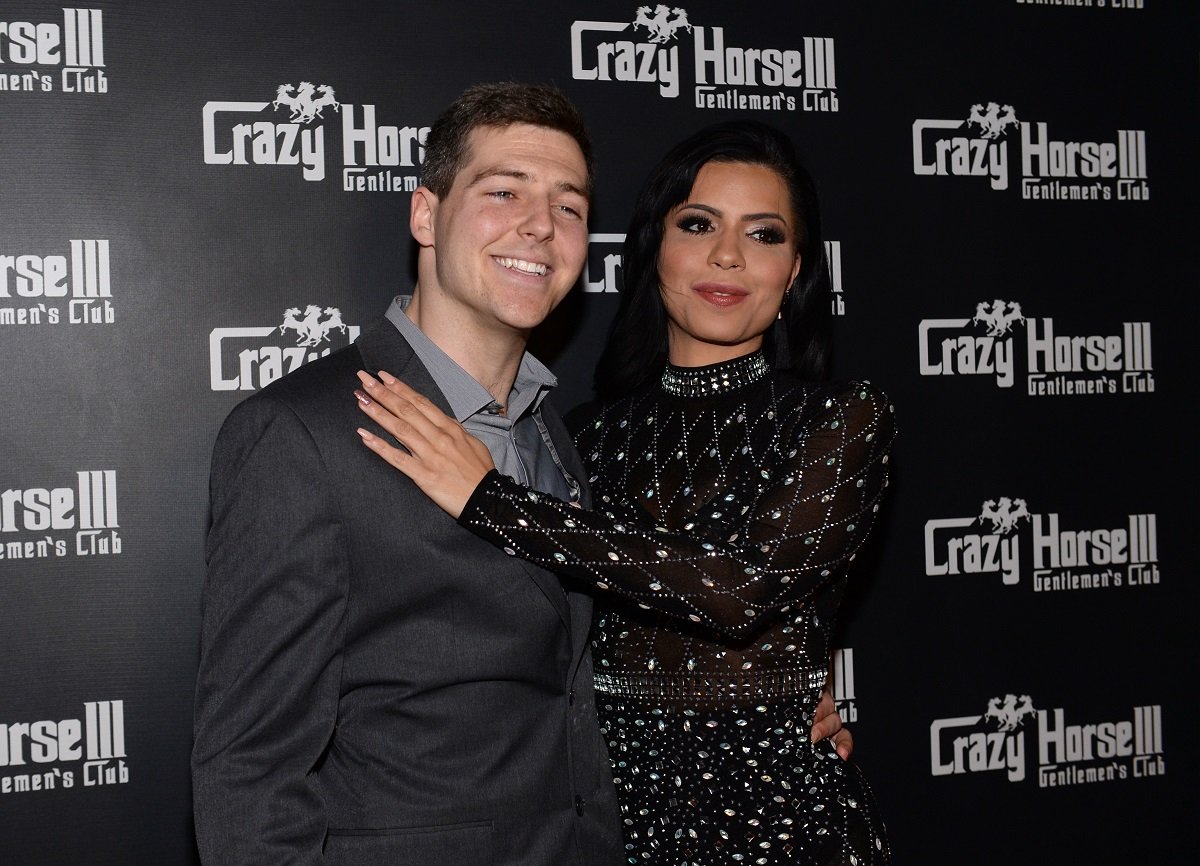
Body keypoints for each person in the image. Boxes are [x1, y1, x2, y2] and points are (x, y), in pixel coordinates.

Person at [354, 120, 895, 864]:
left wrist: (489, 498)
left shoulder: (841, 418)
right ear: (654, 248)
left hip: (782, 827)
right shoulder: (580, 435)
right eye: (698, 224)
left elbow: (738, 590)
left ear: (796, 268)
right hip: (610, 828)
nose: (728, 255)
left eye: (763, 234)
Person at [192, 82, 623, 865]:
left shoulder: (551, 428)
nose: (540, 225)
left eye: (569, 206)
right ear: (426, 215)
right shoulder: (301, 434)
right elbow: (247, 774)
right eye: (504, 192)